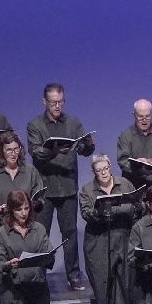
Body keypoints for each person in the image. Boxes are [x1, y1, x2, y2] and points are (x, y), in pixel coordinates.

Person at [26, 83, 95, 292]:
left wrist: (87, 145)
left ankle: (73, 275)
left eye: (60, 102)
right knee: (40, 233)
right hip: (45, 188)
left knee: (70, 233)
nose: (57, 106)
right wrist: (55, 150)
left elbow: (86, 149)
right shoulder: (35, 124)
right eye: (53, 102)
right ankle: (39, 274)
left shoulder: (73, 122)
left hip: (67, 187)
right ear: (44, 102)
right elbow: (36, 152)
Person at [0, 130, 45, 294]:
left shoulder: (30, 171)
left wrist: (34, 202)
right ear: (1, 151)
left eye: (16, 149)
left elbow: (40, 198)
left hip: (26, 231)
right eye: (9, 150)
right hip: (3, 231)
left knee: (29, 280)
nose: (13, 153)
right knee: (5, 284)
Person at [79, 154, 139, 304]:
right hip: (99, 240)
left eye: (105, 168)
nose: (103, 173)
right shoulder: (87, 190)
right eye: (99, 171)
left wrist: (134, 207)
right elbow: (86, 213)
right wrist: (98, 212)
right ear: (94, 172)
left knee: (125, 278)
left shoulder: (125, 184)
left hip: (123, 236)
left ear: (110, 166)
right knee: (102, 280)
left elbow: (135, 207)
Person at [0, 189, 55, 304]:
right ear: (11, 210)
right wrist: (8, 264)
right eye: (19, 209)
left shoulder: (38, 229)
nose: (24, 213)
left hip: (37, 289)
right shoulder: (2, 233)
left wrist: (47, 257)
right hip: (14, 294)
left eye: (26, 208)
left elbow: (48, 252)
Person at [116, 98, 152, 190]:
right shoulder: (125, 135)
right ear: (134, 115)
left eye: (147, 116)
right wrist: (138, 166)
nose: (144, 120)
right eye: (140, 117)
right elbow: (122, 161)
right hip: (134, 185)